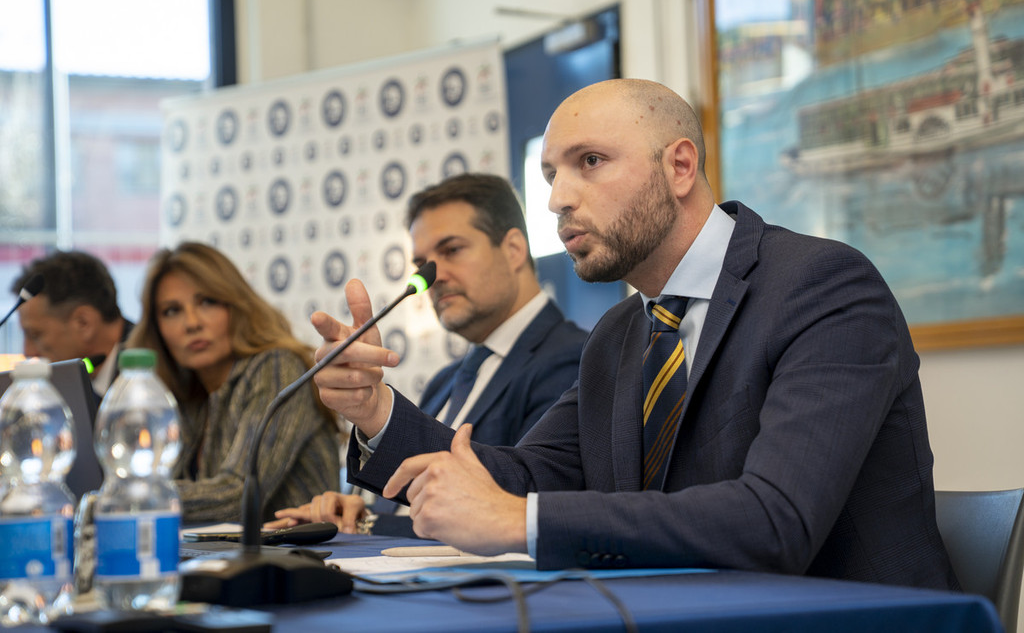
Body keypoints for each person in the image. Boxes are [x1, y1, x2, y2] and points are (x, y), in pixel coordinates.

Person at [305, 79, 959, 590]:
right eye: (551, 176)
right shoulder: (620, 331)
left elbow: (775, 519)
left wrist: (520, 520)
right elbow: (527, 475)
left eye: (589, 161)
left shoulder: (823, 286)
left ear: (680, 166)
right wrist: (376, 409)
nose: (558, 199)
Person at [268, 173, 588, 532]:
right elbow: (419, 496)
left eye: (452, 250)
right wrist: (363, 517)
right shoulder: (446, 381)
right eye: (422, 263)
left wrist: (373, 526)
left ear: (513, 249)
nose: (432, 276)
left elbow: (522, 502)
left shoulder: (577, 360)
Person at [129, 241, 340, 523]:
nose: (192, 323)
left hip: (299, 550)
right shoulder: (189, 394)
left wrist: (131, 497)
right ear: (157, 329)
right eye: (172, 311)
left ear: (236, 306)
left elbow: (237, 496)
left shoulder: (276, 367)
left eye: (207, 302)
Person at [11, 250, 134, 398]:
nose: (28, 352)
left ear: (83, 323)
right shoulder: (72, 379)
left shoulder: (154, 368)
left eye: (35, 335)